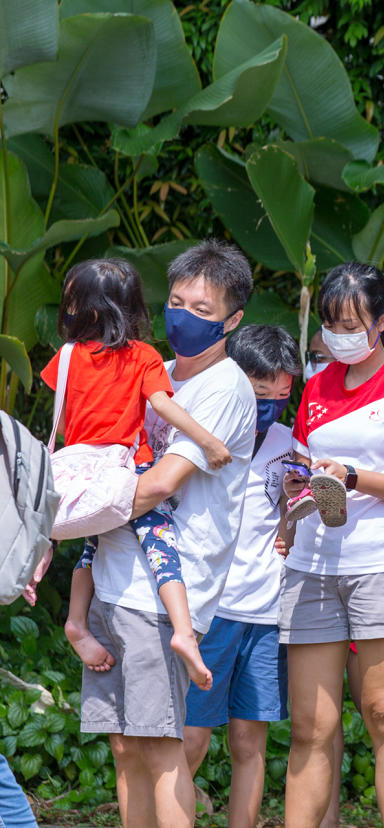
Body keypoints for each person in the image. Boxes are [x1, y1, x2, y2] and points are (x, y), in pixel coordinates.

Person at [77, 240, 256, 828]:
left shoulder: (225, 388)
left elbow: (159, 485)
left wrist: (70, 506)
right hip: (114, 575)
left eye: (202, 310)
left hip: (165, 590)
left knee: (158, 744)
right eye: (176, 302)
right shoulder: (151, 370)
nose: (183, 316)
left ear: (233, 320)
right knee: (126, 745)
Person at [278, 262, 384, 828]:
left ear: (383, 323)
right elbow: (298, 470)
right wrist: (296, 493)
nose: (337, 335)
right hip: (312, 567)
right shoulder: (316, 387)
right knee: (310, 727)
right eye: (330, 325)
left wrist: (354, 477)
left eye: (351, 324)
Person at [44, 258, 233, 691]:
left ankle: (76, 622)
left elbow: (65, 415)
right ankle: (184, 632)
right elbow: (164, 407)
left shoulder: (67, 356)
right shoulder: (144, 357)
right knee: (159, 543)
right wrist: (208, 442)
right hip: (126, 468)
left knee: (92, 546)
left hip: (79, 473)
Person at [181, 325, 300, 828]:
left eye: (282, 395)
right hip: (210, 613)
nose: (271, 406)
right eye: (260, 393)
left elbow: (292, 510)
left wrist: (293, 517)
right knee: (191, 740)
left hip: (265, 614)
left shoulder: (285, 444)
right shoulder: (201, 434)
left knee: (250, 743)